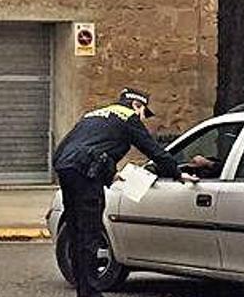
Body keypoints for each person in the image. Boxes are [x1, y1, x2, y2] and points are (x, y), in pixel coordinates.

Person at [53, 88, 198, 297]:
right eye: (143, 113)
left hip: (66, 168)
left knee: (76, 231)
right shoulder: (129, 117)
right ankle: (91, 292)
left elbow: (76, 147)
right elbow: (153, 150)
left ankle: (83, 289)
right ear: (137, 106)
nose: (143, 119)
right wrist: (177, 173)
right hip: (85, 173)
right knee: (90, 233)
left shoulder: (94, 114)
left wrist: (108, 173)